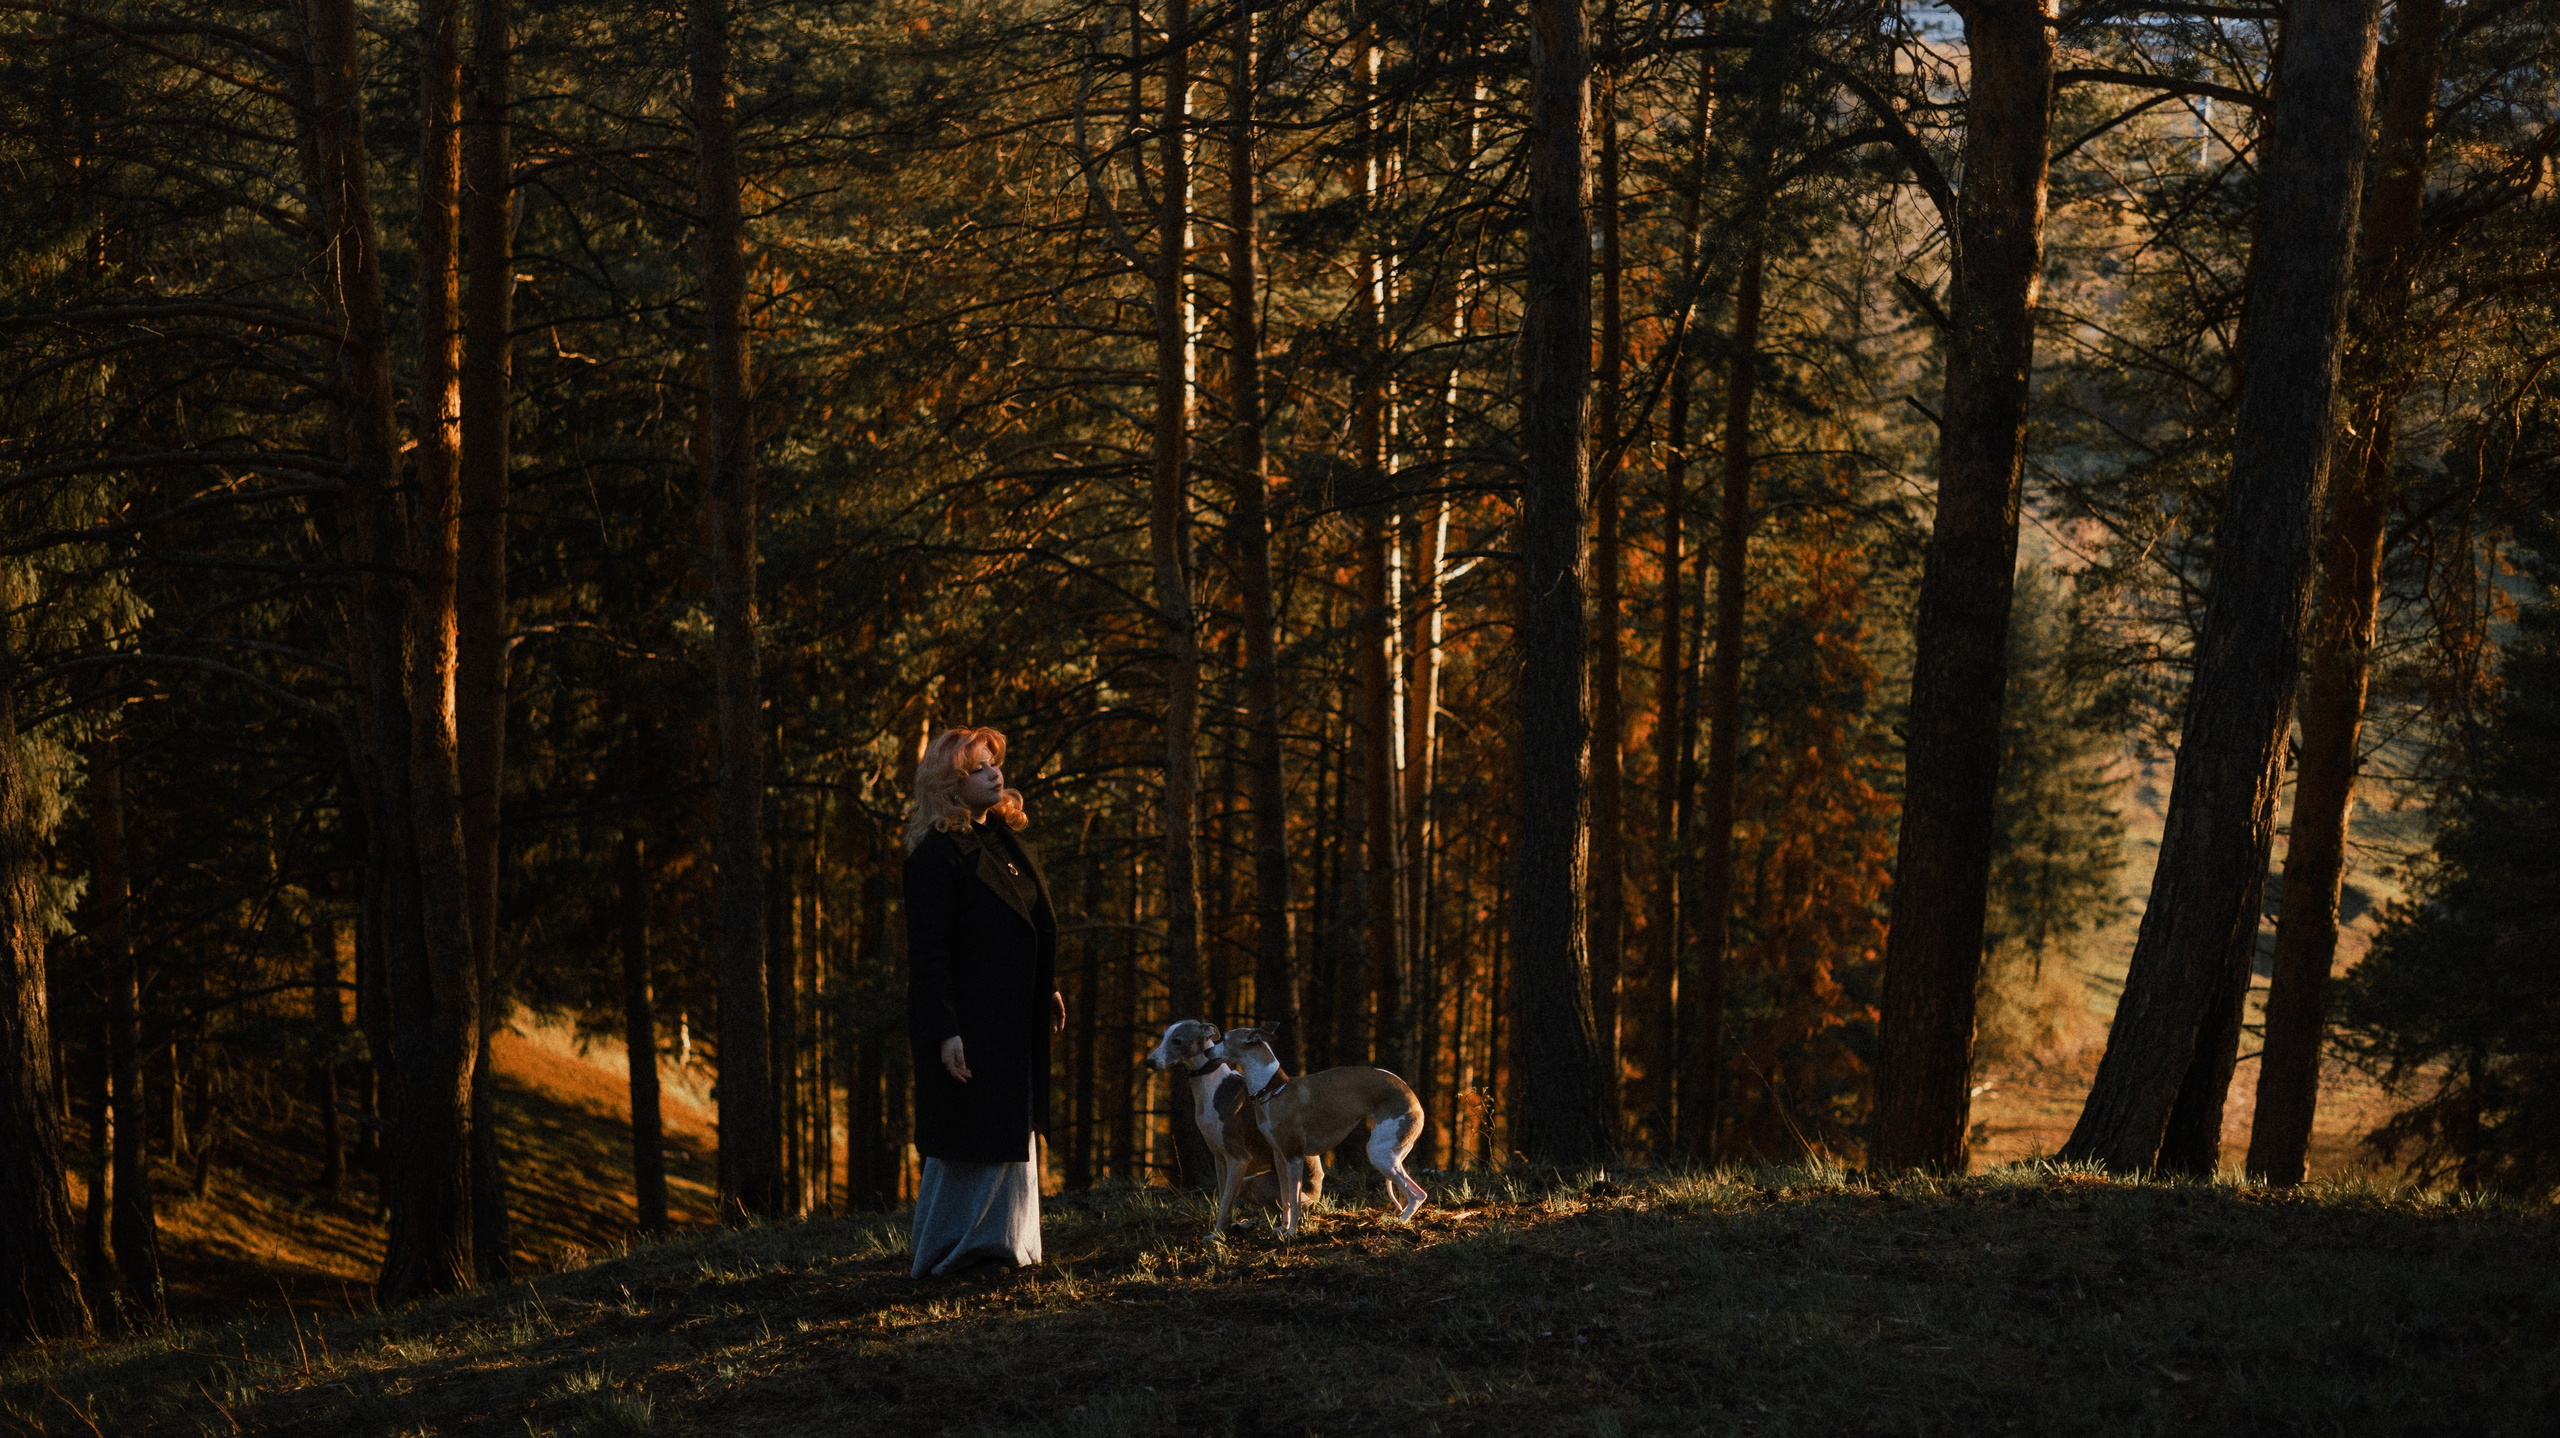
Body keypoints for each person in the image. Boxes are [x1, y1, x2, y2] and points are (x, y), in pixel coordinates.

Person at [903, 725, 1064, 1277]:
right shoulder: (935, 857)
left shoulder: (1003, 840)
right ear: (951, 786)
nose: (996, 773)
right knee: (970, 1137)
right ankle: (954, 1255)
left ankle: (1005, 1248)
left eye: (994, 763)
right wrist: (945, 1030)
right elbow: (927, 954)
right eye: (978, 768)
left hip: (1012, 1019)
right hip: (971, 1022)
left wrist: (1047, 987)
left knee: (1008, 1130)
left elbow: (1024, 925)